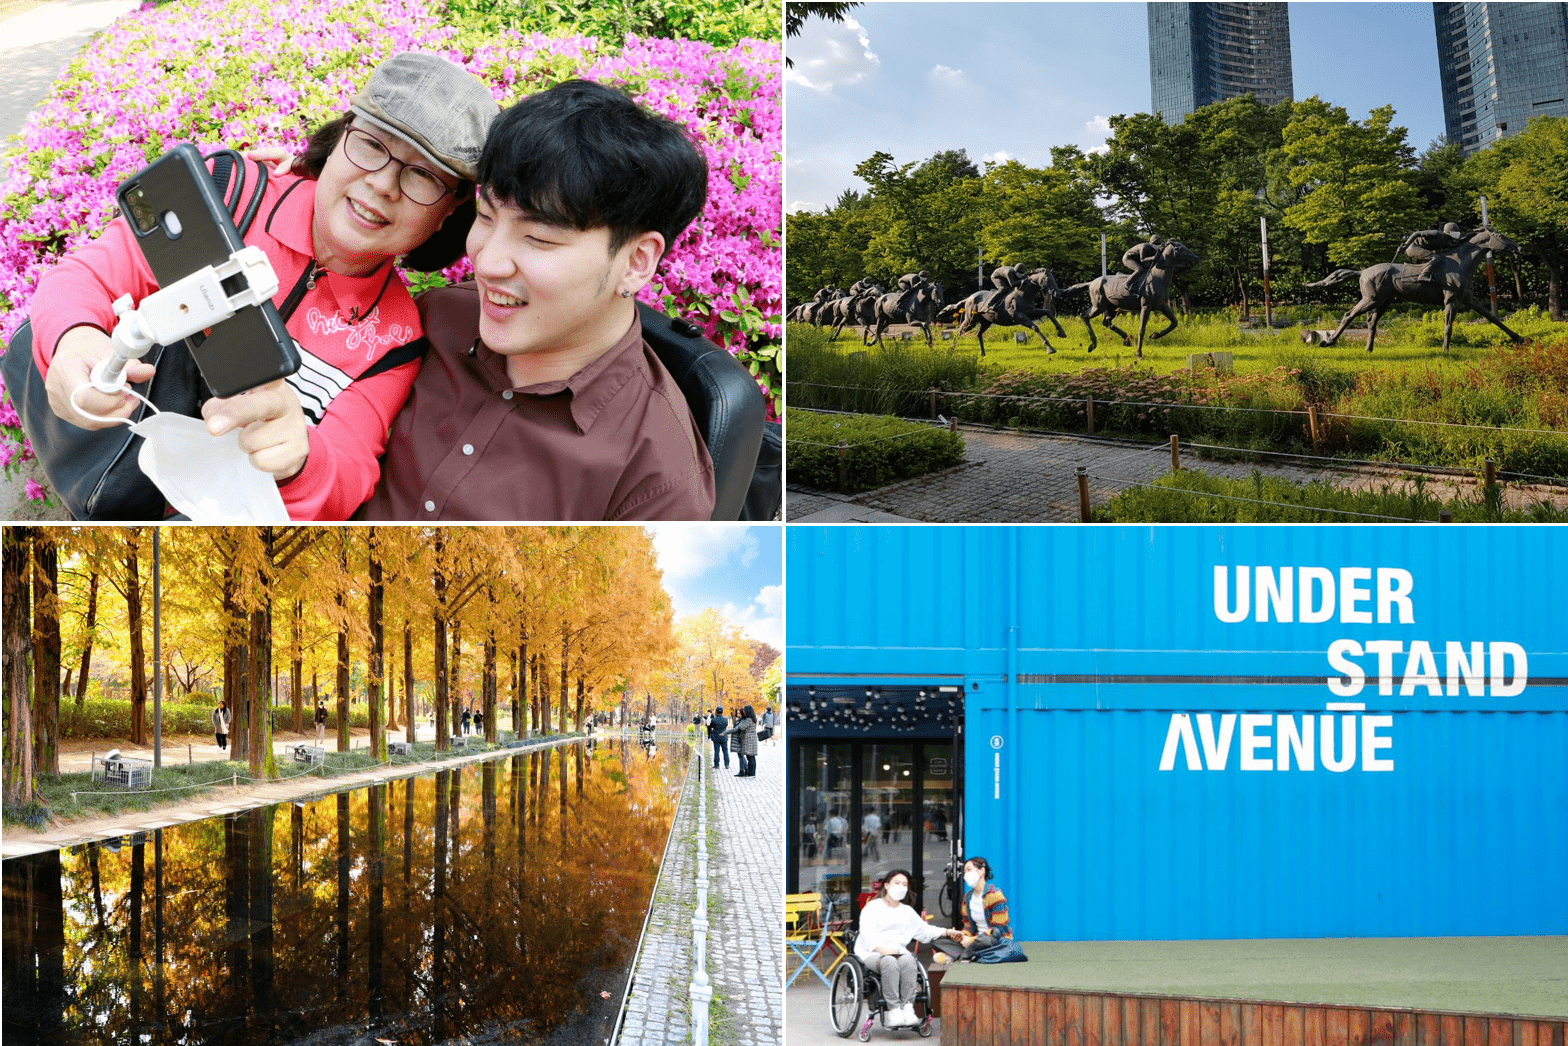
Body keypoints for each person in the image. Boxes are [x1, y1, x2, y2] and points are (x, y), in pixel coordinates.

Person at [28, 52, 499, 520]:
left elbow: (349, 467)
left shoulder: (395, 340)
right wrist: (74, 342)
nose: (382, 185)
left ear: (448, 214)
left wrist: (299, 460)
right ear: (339, 140)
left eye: (423, 175)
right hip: (105, 466)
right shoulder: (227, 193)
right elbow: (87, 274)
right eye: (372, 145)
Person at [359, 78, 716, 521]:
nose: (488, 263)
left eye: (538, 238)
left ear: (636, 261)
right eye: (486, 217)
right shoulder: (438, 318)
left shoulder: (655, 481)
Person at [854, 870, 947, 1028]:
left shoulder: (907, 911)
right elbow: (867, 933)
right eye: (897, 883)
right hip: (872, 952)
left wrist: (947, 932)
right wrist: (881, 949)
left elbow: (924, 932)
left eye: (904, 884)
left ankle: (908, 1008)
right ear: (887, 885)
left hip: (898, 952)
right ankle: (894, 1010)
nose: (901, 887)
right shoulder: (873, 908)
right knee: (889, 961)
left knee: (910, 959)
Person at [932, 856, 1012, 965]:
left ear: (981, 871)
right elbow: (968, 926)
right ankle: (972, 955)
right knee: (937, 941)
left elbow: (998, 929)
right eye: (964, 872)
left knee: (988, 939)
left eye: (969, 870)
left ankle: (963, 955)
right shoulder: (967, 898)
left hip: (995, 941)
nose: (966, 875)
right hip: (975, 941)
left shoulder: (995, 895)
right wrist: (962, 936)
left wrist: (972, 940)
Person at [725, 704, 758, 777]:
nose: (743, 712)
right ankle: (751, 773)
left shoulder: (748, 720)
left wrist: (725, 732)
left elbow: (741, 728)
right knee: (750, 757)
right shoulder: (751, 719)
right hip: (750, 740)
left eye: (744, 711)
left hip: (749, 740)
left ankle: (751, 774)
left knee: (750, 757)